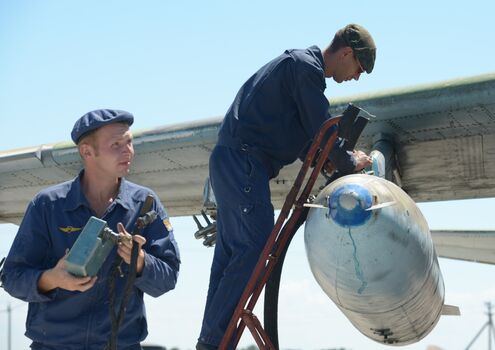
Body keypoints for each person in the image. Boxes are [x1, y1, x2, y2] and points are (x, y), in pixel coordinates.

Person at [197, 24, 376, 350]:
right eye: (359, 69)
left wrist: (330, 161)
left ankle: (211, 340)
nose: (356, 77)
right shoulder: (304, 69)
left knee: (229, 257)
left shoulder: (296, 75)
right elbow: (322, 128)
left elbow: (308, 142)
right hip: (243, 163)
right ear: (347, 53)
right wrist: (351, 161)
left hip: (231, 162)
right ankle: (213, 343)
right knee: (256, 245)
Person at [1, 109, 180, 350]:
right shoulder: (47, 205)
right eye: (116, 144)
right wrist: (51, 278)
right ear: (87, 151)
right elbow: (12, 277)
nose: (128, 151)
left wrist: (140, 262)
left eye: (129, 142)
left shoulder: (145, 204)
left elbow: (167, 278)